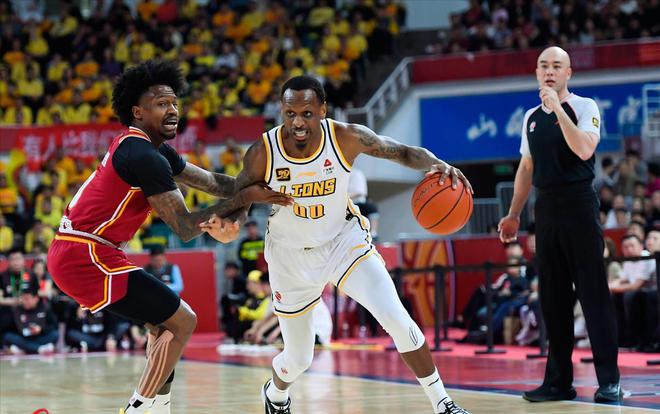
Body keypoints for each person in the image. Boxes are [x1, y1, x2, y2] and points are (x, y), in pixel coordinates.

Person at [202, 75, 472, 414]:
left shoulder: (345, 137)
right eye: (289, 114)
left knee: (396, 318)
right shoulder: (263, 151)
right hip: (289, 256)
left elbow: (401, 152)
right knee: (299, 358)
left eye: (306, 113)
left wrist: (437, 164)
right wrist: (232, 226)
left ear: (323, 110)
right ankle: (275, 394)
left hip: (343, 243)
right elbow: (241, 200)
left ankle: (443, 404)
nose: (297, 122)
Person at [46, 60, 292, 414]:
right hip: (85, 254)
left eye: (175, 102)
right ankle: (138, 407)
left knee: (164, 326)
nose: (173, 109)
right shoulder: (143, 155)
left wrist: (259, 181)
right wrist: (246, 197)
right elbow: (186, 227)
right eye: (162, 103)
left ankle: (159, 407)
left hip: (87, 251)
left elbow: (213, 182)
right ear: (138, 111)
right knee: (183, 321)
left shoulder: (152, 149)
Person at [498, 47, 621, 403]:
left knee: (593, 294)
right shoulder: (530, 117)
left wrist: (558, 110)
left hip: (579, 204)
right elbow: (526, 168)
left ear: (568, 73)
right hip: (546, 209)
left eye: (556, 66)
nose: (549, 72)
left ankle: (609, 381)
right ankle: (558, 382)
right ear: (537, 73)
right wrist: (514, 213)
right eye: (543, 66)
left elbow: (584, 149)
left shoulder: (585, 107)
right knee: (552, 298)